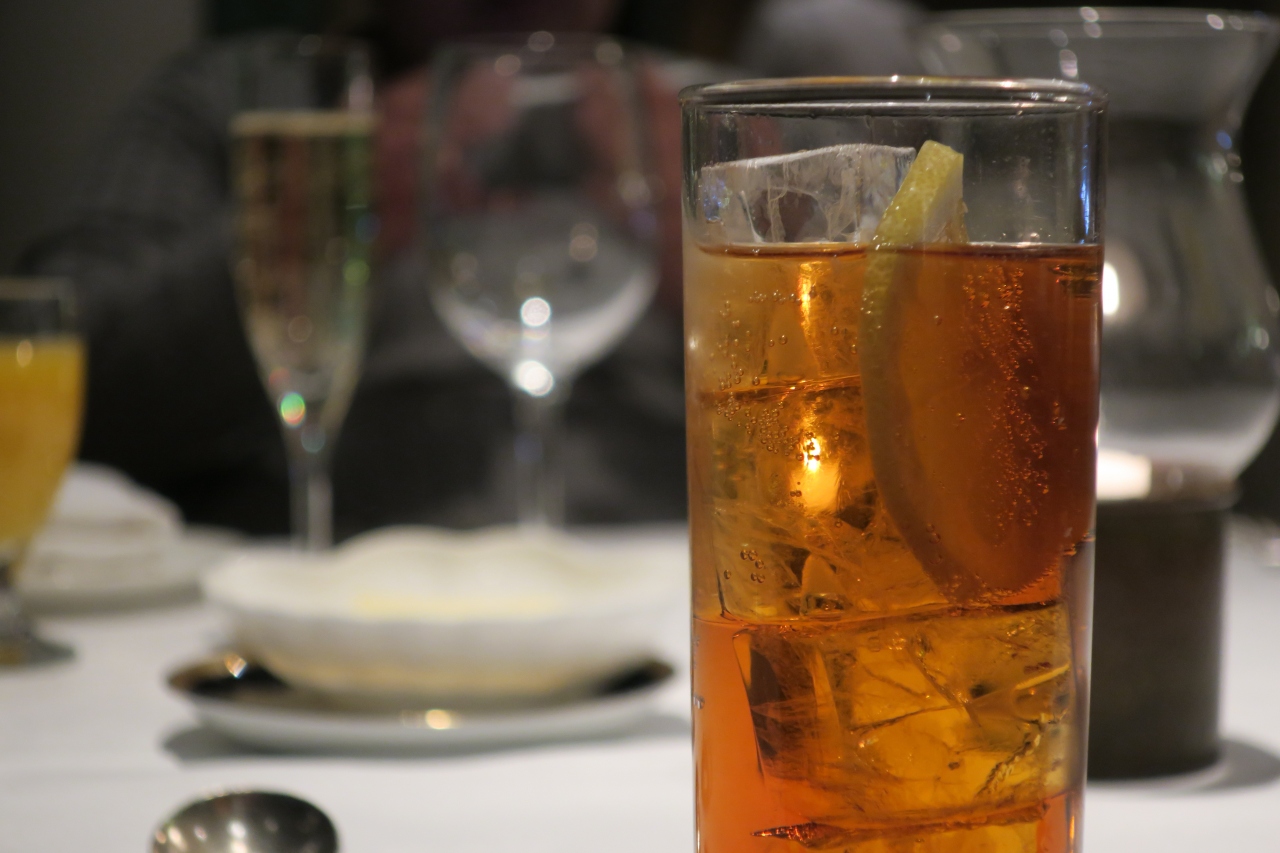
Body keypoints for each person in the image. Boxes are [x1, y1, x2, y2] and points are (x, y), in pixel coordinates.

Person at [19, 0, 689, 537]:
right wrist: (306, 220)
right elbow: (58, 374)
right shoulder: (239, 96)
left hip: (658, 586)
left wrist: (706, 247)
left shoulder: (704, 110)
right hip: (305, 581)